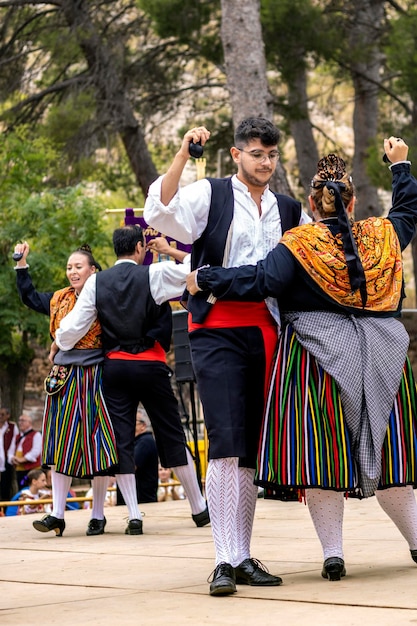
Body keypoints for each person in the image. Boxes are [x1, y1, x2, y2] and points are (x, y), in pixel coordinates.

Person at [187, 136, 417, 581]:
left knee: (324, 458)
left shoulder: (300, 242)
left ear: (313, 202)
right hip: (386, 357)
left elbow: (259, 280)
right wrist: (400, 167)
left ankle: (333, 553)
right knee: (392, 458)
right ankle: (415, 540)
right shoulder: (384, 234)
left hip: (320, 361)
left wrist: (206, 277)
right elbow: (407, 212)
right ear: (351, 201)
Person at [144, 117, 310, 595]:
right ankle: (221, 558)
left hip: (266, 331)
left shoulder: (289, 208)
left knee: (250, 449)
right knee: (223, 440)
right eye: (257, 154)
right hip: (214, 329)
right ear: (237, 154)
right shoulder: (210, 194)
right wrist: (181, 155)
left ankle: (241, 555)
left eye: (272, 155)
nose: (266, 163)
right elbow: (160, 211)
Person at [54, 225, 208, 536]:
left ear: (115, 250)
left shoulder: (97, 281)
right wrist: (170, 251)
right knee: (171, 433)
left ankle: (134, 516)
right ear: (139, 248)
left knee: (121, 439)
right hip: (150, 366)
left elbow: (72, 328)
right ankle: (199, 508)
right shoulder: (154, 274)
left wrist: (59, 340)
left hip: (116, 369)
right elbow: (198, 269)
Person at [14, 242, 118, 537]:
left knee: (97, 444)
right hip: (62, 376)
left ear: (93, 270)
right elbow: (32, 298)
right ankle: (57, 513)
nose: (73, 272)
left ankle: (98, 515)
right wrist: (22, 265)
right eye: (70, 267)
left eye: (79, 266)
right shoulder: (60, 298)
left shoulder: (105, 297)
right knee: (61, 442)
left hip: (96, 374)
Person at [9, 414, 42, 490]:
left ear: (29, 422)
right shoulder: (17, 436)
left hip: (32, 468)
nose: (20, 423)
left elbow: (36, 451)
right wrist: (13, 458)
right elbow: (11, 450)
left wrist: (23, 459)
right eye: (19, 420)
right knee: (21, 487)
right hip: (20, 469)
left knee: (31, 487)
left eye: (23, 420)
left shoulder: (36, 435)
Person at [133, 409, 158, 504]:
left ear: (143, 426)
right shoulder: (137, 441)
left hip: (143, 499)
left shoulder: (145, 442)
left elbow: (131, 466)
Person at [0, 407, 18, 502]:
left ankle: (5, 506)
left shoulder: (12, 427)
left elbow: (16, 442)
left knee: (6, 485)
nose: (0, 416)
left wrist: (11, 456)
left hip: (6, 460)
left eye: (3, 414)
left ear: (8, 416)